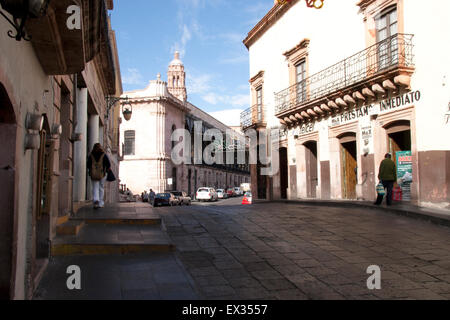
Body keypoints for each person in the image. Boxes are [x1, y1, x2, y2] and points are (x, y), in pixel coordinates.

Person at [87, 143, 111, 209]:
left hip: (93, 174)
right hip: (102, 174)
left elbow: (88, 165)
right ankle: (101, 203)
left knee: (95, 187)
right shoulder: (104, 155)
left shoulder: (91, 155)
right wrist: (105, 171)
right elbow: (108, 164)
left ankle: (95, 201)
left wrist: (91, 170)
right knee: (101, 188)